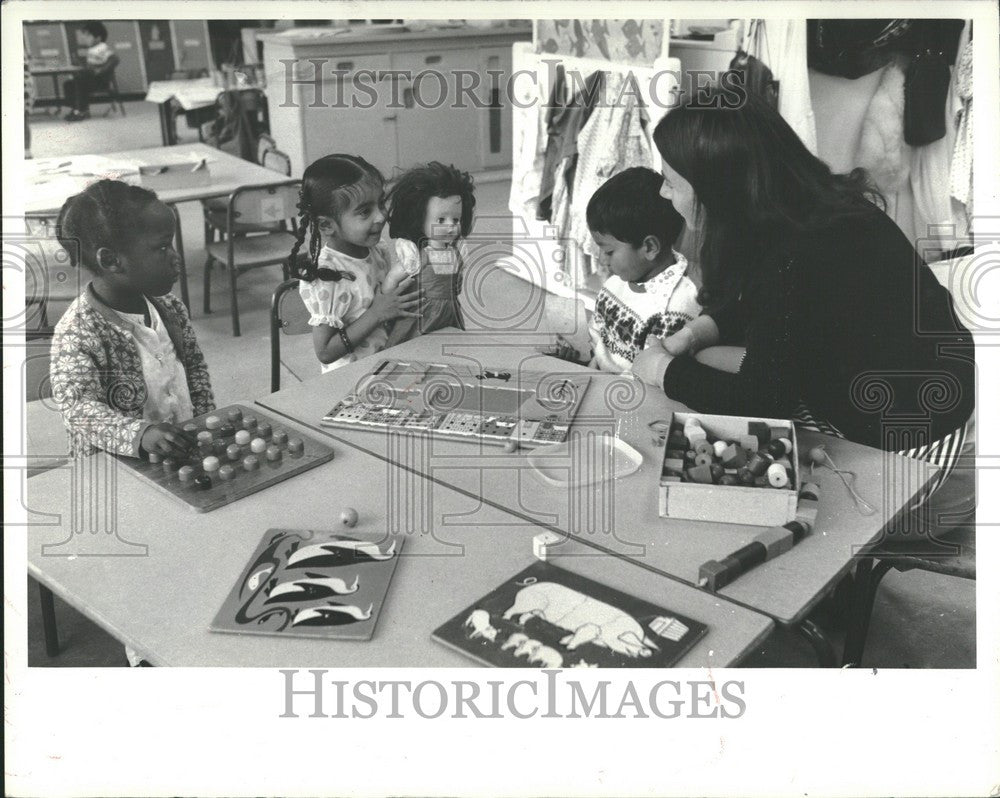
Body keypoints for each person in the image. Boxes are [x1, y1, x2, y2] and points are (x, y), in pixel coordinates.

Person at [632, 89, 975, 503]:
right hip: (925, 385)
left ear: (716, 190)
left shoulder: (794, 252)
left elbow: (762, 399)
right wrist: (694, 334)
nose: (664, 195)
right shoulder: (806, 209)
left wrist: (659, 370)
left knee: (708, 392)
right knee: (706, 359)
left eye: (671, 183)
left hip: (913, 437)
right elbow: (771, 310)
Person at [50, 180, 215, 460]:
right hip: (121, 467)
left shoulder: (170, 308)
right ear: (112, 260)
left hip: (182, 451)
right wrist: (141, 435)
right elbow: (78, 409)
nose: (177, 259)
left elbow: (196, 374)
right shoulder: (76, 332)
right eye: (163, 248)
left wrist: (204, 423)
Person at [552, 167, 701, 373]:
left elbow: (651, 376)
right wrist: (580, 354)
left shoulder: (675, 308)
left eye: (609, 251)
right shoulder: (617, 282)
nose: (602, 259)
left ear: (649, 248)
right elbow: (600, 338)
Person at [289, 154, 421, 372]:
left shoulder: (377, 251)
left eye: (380, 204)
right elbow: (325, 352)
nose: (380, 217)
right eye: (364, 212)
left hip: (386, 366)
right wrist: (377, 313)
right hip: (350, 381)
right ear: (327, 225)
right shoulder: (327, 275)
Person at [381, 162, 476, 347]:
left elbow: (456, 284)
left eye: (455, 219)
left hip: (450, 312)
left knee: (448, 346)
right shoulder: (417, 257)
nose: (450, 225)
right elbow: (392, 279)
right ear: (419, 219)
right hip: (421, 314)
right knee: (415, 347)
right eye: (441, 220)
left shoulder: (457, 253)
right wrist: (389, 301)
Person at [63, 21, 115, 121]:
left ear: (98, 38)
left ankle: (81, 111)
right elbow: (90, 67)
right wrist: (79, 64)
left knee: (80, 81)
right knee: (68, 84)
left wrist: (100, 70)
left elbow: (114, 59)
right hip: (92, 80)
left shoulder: (102, 47)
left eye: (88, 36)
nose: (85, 38)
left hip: (101, 81)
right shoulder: (92, 49)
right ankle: (76, 109)